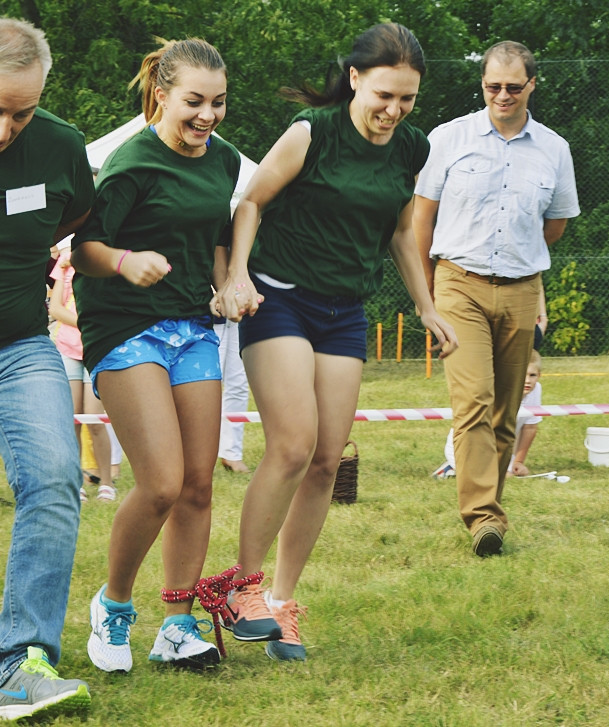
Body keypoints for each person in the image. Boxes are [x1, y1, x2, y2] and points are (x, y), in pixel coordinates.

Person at [212, 23, 457, 662]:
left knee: (327, 458)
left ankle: (285, 607)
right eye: (383, 94)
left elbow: (403, 233)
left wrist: (426, 306)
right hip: (279, 297)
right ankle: (244, 589)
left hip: (345, 310)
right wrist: (237, 274)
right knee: (292, 445)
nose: (393, 110)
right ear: (354, 78)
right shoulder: (310, 133)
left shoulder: (411, 147)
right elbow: (250, 202)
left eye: (406, 99)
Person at [72, 38, 240, 672]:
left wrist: (228, 283)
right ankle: (112, 607)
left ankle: (177, 625)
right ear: (162, 95)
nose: (207, 116)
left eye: (219, 103)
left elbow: (219, 236)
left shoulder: (221, 160)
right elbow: (84, 249)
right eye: (194, 102)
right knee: (163, 482)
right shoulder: (131, 163)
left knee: (198, 486)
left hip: (193, 327)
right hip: (125, 326)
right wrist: (124, 261)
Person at [413, 40, 579, 557]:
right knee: (474, 402)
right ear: (481, 84)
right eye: (492, 86)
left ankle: (490, 510)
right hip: (457, 283)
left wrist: (519, 256)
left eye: (512, 86)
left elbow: (556, 224)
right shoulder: (448, 138)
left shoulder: (554, 148)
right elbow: (421, 219)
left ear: (532, 85)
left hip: (522, 287)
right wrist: (427, 296)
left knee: (507, 411)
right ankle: (483, 517)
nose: (502, 95)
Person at [0, 17, 92, 719]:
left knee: (58, 476)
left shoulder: (60, 148)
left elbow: (73, 229)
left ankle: (22, 662)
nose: (5, 128)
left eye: (20, 112)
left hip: (22, 345)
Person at [48, 246, 117, 501]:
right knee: (72, 422)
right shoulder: (66, 261)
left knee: (94, 420)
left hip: (97, 349)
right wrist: (87, 323)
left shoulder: (109, 261)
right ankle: (75, 483)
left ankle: (107, 483)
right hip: (68, 349)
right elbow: (55, 308)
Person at [435, 350, 544, 478]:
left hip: (500, 447)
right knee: (493, 477)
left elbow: (530, 428)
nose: (527, 381)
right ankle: (453, 467)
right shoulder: (498, 390)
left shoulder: (536, 390)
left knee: (516, 473)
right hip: (470, 445)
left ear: (539, 375)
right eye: (522, 375)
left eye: (532, 375)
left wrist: (518, 461)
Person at [214, 318, 250, 473]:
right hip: (210, 315)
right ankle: (195, 455)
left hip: (241, 315)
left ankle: (232, 453)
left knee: (239, 385)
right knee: (212, 383)